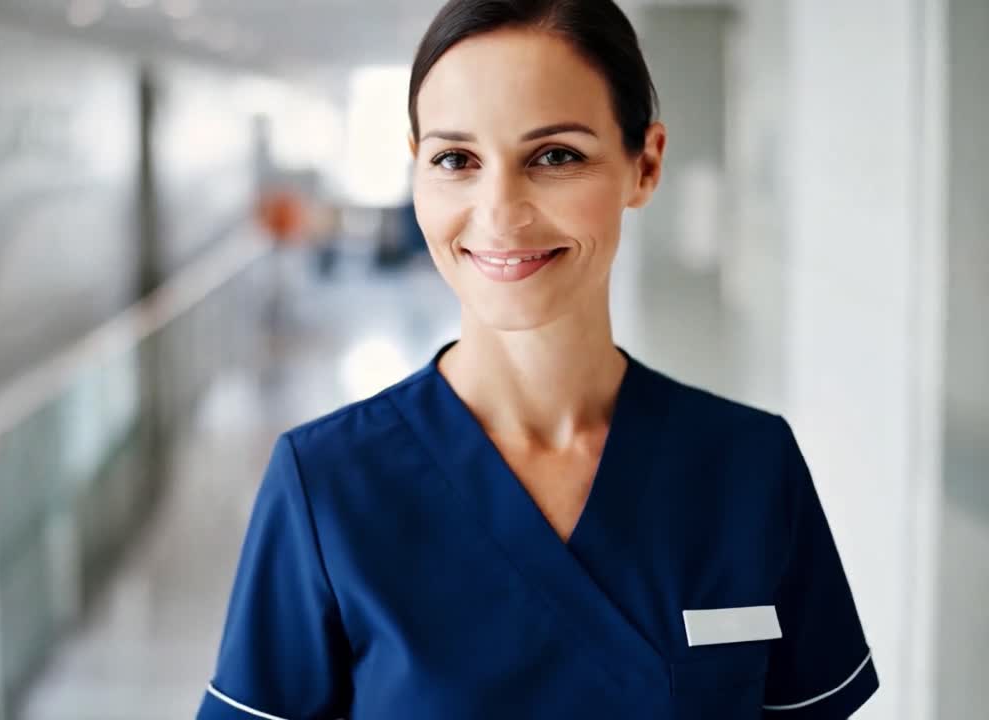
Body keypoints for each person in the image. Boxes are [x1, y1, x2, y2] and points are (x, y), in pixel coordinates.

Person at [197, 0, 878, 717]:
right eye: (456, 160)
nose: (500, 212)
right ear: (417, 172)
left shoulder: (749, 468)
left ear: (644, 165)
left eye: (555, 156)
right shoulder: (326, 484)